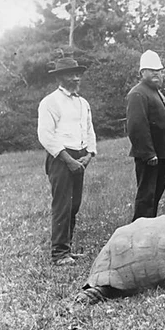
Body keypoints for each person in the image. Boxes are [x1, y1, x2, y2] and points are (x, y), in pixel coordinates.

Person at [37, 57, 97, 266]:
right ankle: (59, 253)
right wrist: (68, 159)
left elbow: (89, 130)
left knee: (74, 205)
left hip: (80, 157)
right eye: (72, 73)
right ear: (60, 77)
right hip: (60, 159)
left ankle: (67, 248)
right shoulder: (50, 102)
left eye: (78, 73)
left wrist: (89, 154)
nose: (77, 77)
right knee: (62, 205)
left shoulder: (83, 102)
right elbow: (45, 135)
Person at [126, 50, 165, 220]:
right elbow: (136, 126)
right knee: (146, 197)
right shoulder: (138, 93)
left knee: (155, 196)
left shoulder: (156, 92)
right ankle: (139, 233)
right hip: (150, 156)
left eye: (159, 70)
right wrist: (149, 153)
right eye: (151, 70)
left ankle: (150, 231)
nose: (156, 73)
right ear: (142, 72)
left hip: (163, 154)